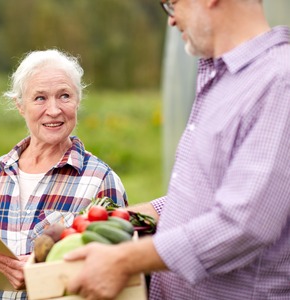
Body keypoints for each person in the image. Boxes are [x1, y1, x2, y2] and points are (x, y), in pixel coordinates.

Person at [65, 0, 290, 299]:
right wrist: (139, 215)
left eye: (172, 3)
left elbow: (244, 226)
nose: (171, 20)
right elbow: (209, 191)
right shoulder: (223, 77)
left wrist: (124, 260)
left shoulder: (278, 82)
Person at [0, 49, 128, 299]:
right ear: (20, 106)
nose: (54, 110)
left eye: (64, 96)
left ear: (77, 101)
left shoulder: (100, 180)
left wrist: (43, 275)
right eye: (40, 98)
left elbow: (120, 268)